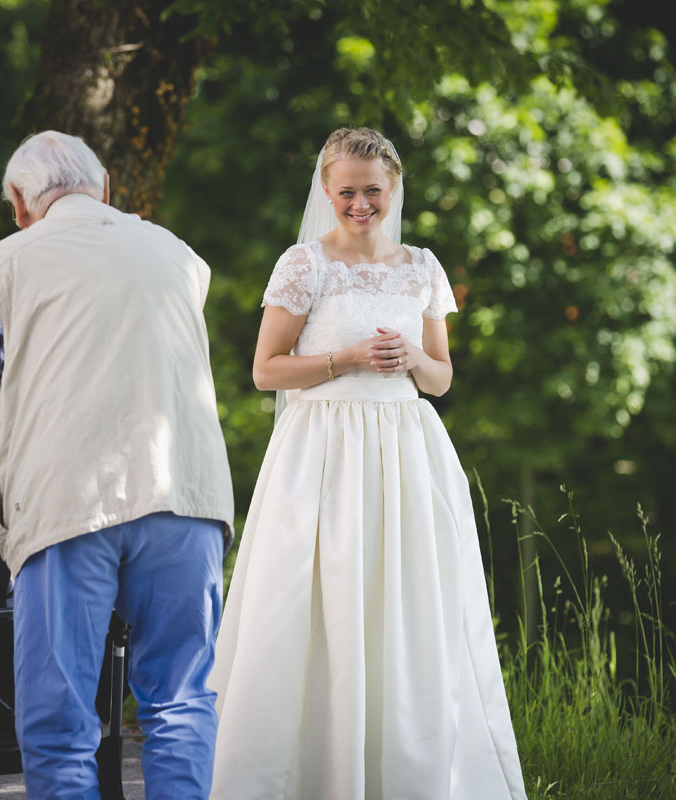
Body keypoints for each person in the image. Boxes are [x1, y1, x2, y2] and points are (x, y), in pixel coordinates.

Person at [0, 130, 234, 800]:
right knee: (180, 701)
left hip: (71, 506)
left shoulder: (6, 263)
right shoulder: (180, 257)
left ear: (21, 202)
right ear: (104, 190)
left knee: (59, 722)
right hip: (187, 498)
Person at [208, 127, 527, 799]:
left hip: (408, 453)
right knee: (317, 602)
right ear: (327, 192)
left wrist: (411, 358)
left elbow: (441, 379)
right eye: (347, 192)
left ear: (394, 189)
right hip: (322, 452)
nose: (360, 205)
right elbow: (266, 370)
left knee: (405, 605)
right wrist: (345, 360)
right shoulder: (304, 264)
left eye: (372, 192)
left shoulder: (423, 267)